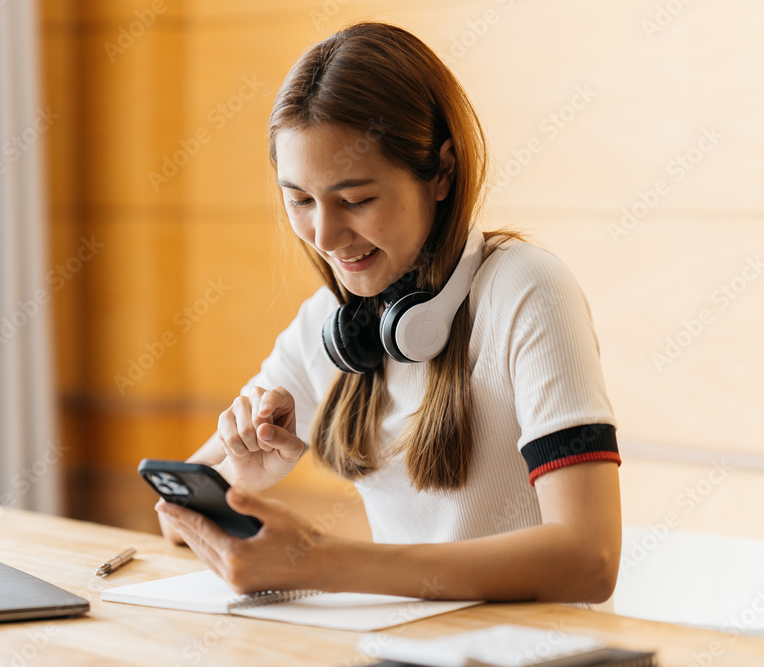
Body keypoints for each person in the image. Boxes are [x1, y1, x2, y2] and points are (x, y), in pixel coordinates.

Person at [156, 21, 622, 605]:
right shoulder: (332, 324)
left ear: (442, 173)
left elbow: (589, 559)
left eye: (356, 199)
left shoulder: (528, 290)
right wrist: (240, 484)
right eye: (299, 200)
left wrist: (325, 563)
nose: (324, 235)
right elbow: (174, 513)